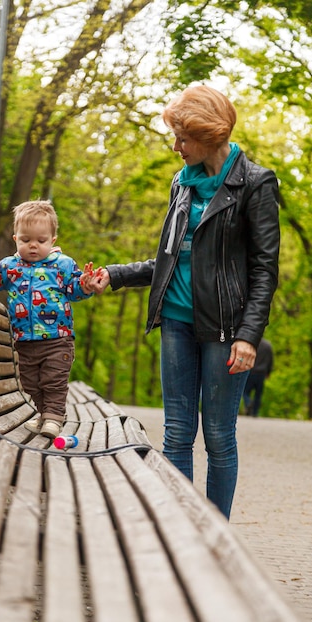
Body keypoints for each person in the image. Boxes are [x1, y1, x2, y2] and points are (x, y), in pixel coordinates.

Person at [90, 85, 280, 519]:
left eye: (182, 138)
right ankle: (181, 530)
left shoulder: (255, 183)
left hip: (226, 330)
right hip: (175, 321)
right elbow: (168, 258)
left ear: (209, 136)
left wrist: (250, 336)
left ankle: (216, 533)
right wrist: (114, 276)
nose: (175, 147)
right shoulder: (182, 182)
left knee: (218, 435)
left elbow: (264, 270)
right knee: (176, 433)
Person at [0, 200, 94, 439]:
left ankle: (52, 417)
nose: (33, 246)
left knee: (53, 380)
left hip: (57, 339)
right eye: (25, 240)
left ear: (52, 240)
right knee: (29, 384)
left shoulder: (63, 265)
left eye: (41, 241)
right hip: (24, 341)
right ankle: (47, 414)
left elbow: (75, 289)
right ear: (15, 239)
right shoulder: (10, 267)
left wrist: (86, 284)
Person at [243, 337, 274, 417]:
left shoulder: (252, 343)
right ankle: (255, 412)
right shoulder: (268, 345)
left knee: (245, 391)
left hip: (251, 370)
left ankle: (248, 402)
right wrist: (268, 372)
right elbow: (270, 360)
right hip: (262, 372)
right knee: (258, 394)